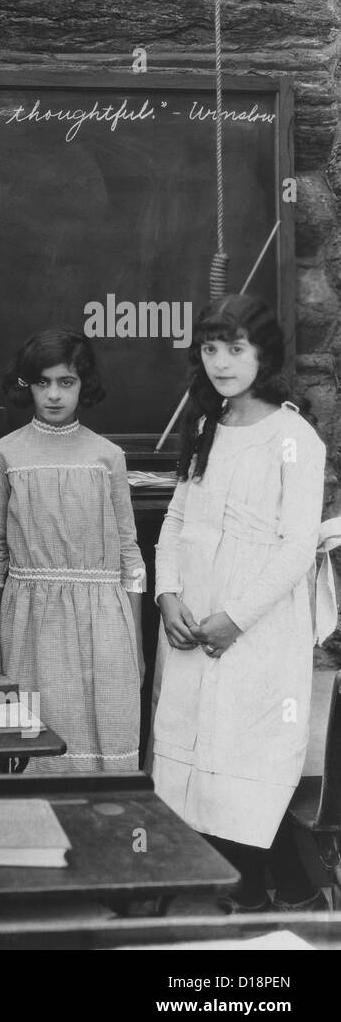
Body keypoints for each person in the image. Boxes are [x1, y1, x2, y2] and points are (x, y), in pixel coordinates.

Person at [151, 295, 326, 912]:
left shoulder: (291, 436)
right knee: (200, 755)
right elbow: (176, 517)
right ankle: (268, 889)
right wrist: (168, 593)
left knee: (247, 759)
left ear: (264, 355)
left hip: (256, 625)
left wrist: (235, 619)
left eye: (236, 348)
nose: (221, 362)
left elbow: (297, 546)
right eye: (210, 348)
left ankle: (270, 893)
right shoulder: (204, 425)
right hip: (194, 619)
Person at [0, 329, 144, 772]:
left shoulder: (107, 456)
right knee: (38, 738)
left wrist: (137, 643)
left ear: (83, 384)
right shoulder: (5, 454)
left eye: (66, 382)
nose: (53, 395)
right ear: (26, 385)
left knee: (104, 727)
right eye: (42, 382)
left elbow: (130, 555)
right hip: (30, 615)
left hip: (103, 617)